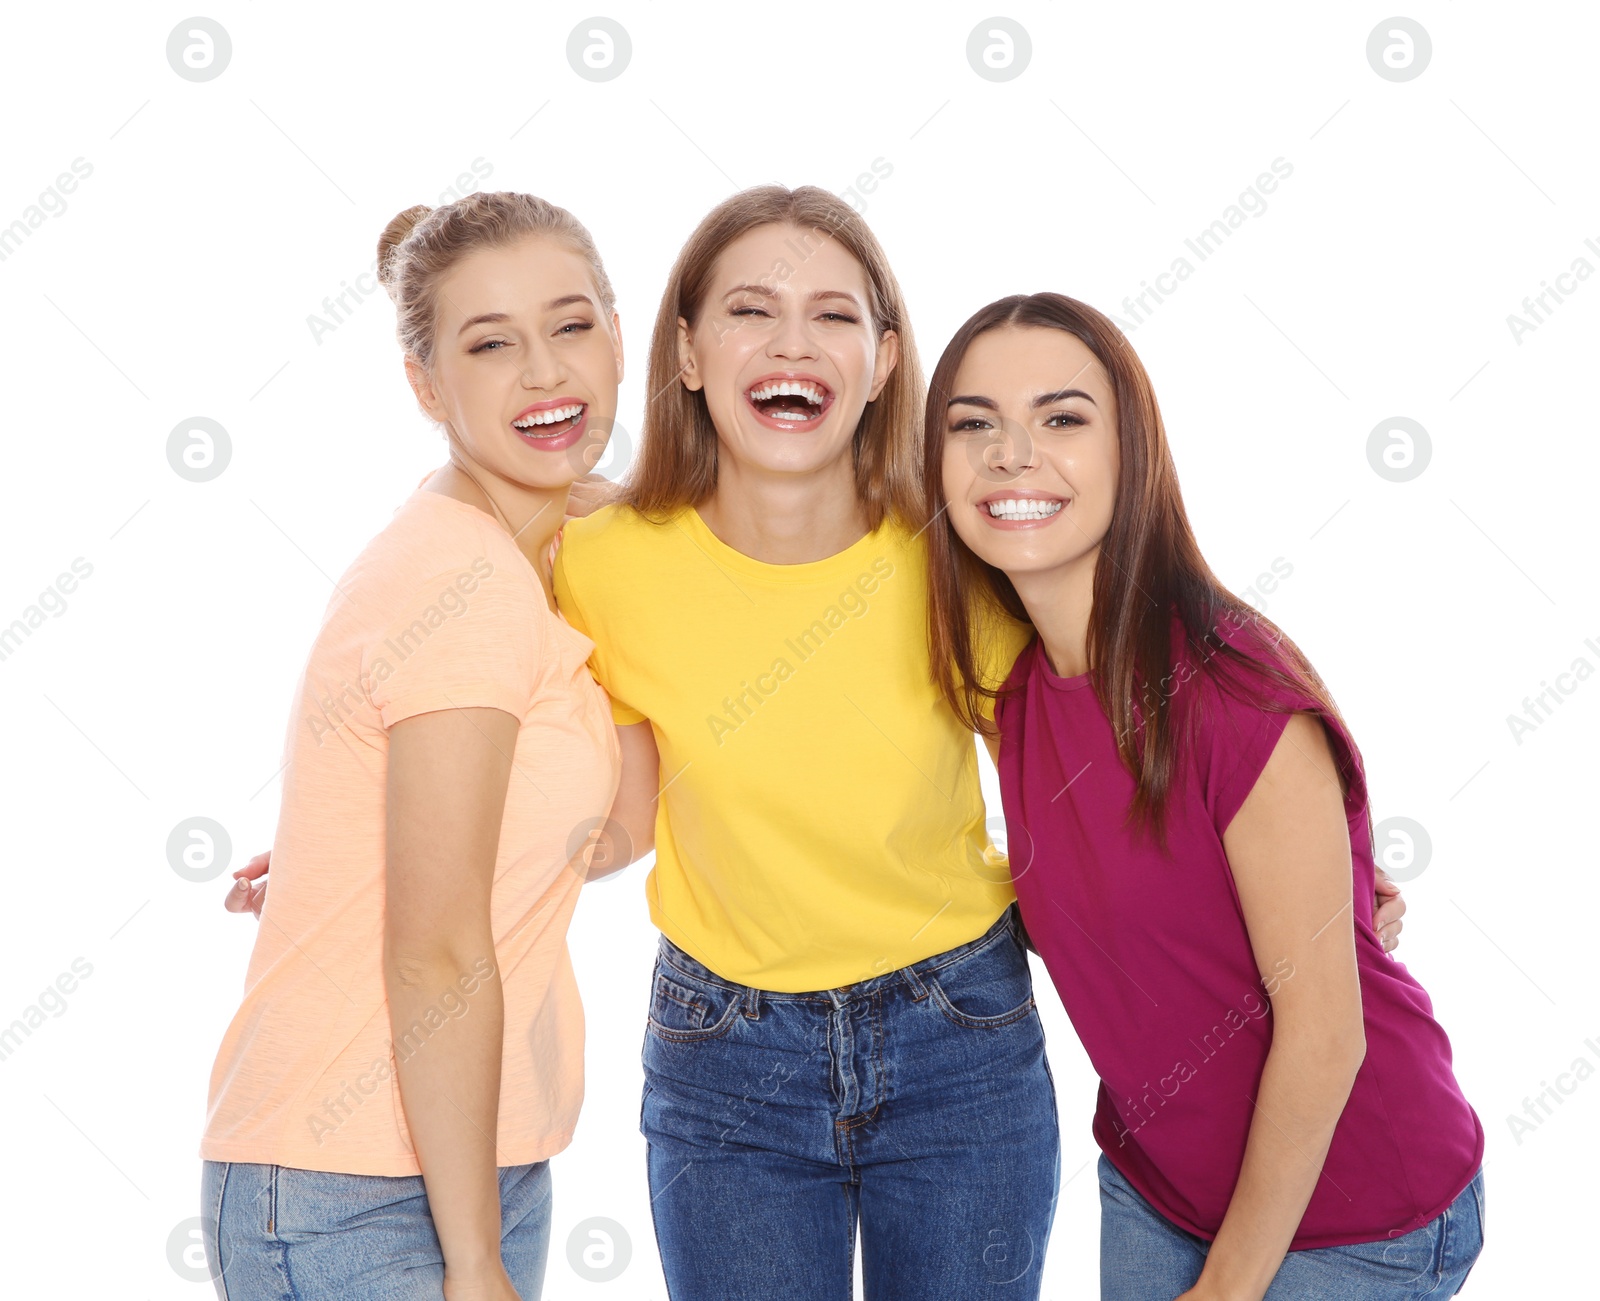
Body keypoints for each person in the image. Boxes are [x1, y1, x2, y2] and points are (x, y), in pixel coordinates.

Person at [227, 188, 1410, 1299]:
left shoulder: (962, 563)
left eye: (832, 315)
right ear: (686, 354)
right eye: (749, 311)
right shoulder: (593, 558)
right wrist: (379, 849)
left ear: (883, 360)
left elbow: (1108, 736)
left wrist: (1304, 871)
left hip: (961, 1037)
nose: (790, 343)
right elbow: (510, 735)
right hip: (724, 1057)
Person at [926, 291, 1484, 1301]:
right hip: (1156, 1184)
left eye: (1061, 418)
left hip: (1355, 1208)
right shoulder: (1007, 689)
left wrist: (1223, 1288)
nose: (1010, 454)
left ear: (1131, 451)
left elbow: (1324, 1037)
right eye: (973, 424)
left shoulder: (1234, 693)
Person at [201, 191, 656, 1301]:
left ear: (618, 334)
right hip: (355, 1183)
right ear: (425, 383)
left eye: (571, 325)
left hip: (481, 1159)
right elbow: (436, 955)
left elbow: (608, 835)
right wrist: (473, 1260)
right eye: (489, 344)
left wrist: (645, 560)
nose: (544, 373)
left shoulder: (528, 561)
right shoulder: (459, 583)